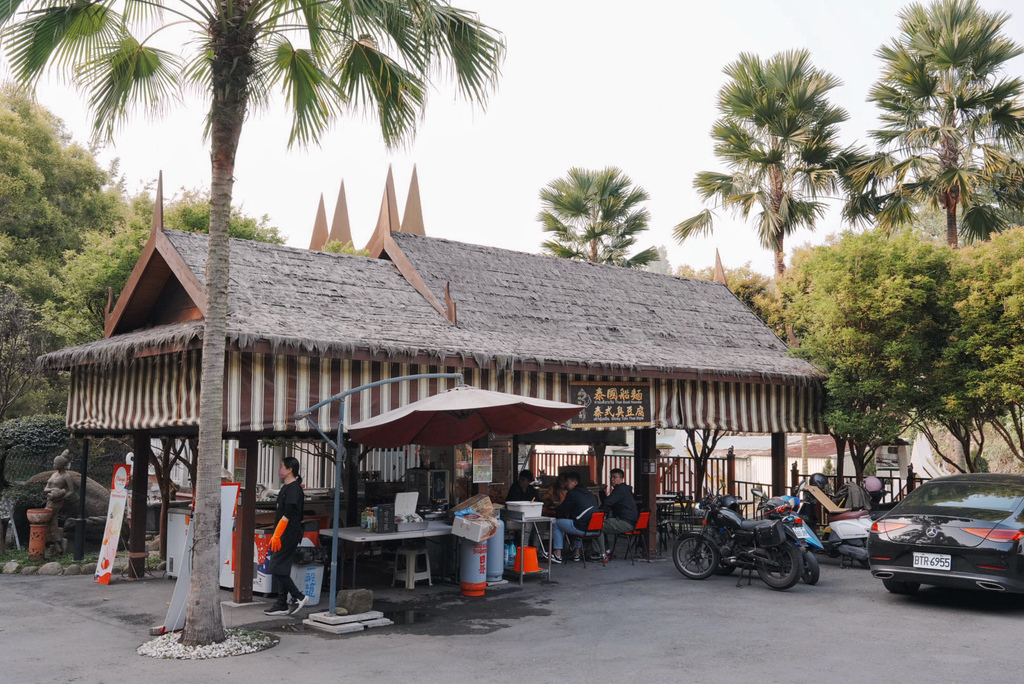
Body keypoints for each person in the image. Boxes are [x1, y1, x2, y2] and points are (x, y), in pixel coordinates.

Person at [264, 457, 308, 616]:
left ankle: (299, 596)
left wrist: (278, 532)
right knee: (281, 567)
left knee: (275, 566)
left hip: (288, 533)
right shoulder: (286, 487)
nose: (279, 470)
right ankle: (281, 603)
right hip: (282, 532)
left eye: (282, 467)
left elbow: (289, 512)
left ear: (290, 470)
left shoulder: (294, 488)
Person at [543, 471, 597, 563]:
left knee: (555, 523)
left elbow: (563, 510)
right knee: (577, 520)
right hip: (594, 528)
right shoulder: (588, 492)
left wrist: (555, 511)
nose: (566, 484)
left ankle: (558, 555)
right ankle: (577, 554)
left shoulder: (573, 493)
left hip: (582, 528)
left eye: (567, 482)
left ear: (575, 483)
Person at [593, 468, 638, 561]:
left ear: (621, 479)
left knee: (597, 525)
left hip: (625, 522)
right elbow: (609, 501)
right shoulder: (625, 489)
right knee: (604, 524)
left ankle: (601, 554)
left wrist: (597, 511)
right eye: (611, 477)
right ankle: (607, 551)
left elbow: (608, 502)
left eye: (614, 477)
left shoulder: (620, 489)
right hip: (631, 522)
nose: (612, 479)